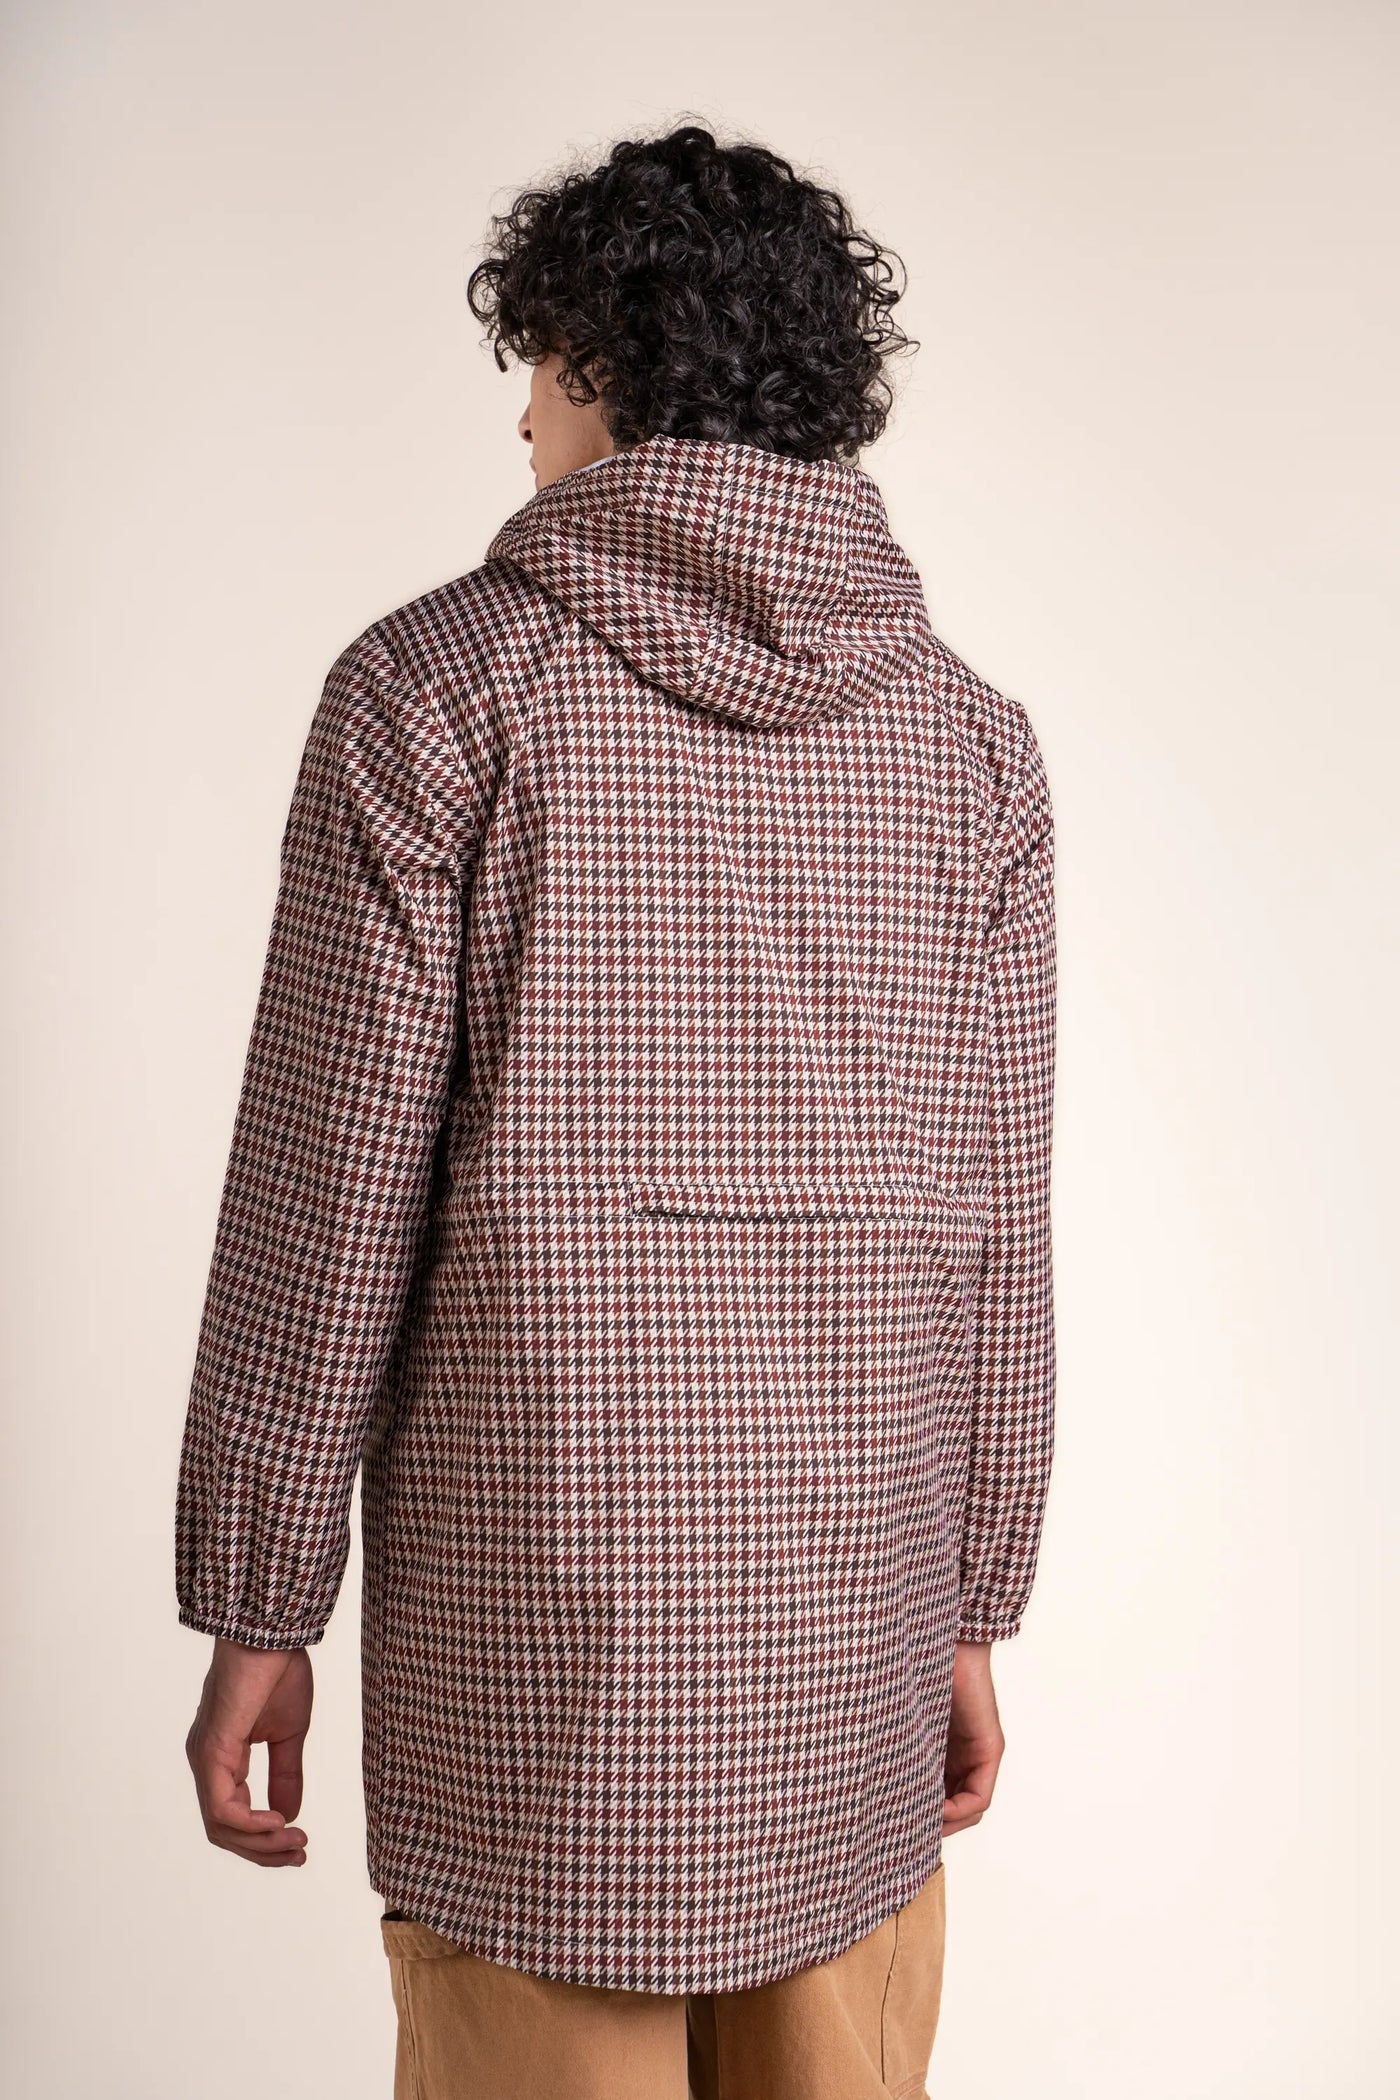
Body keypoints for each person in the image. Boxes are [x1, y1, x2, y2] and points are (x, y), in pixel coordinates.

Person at [175, 123, 1057, 2099]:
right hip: (853, 1651)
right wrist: (972, 1605)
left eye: (539, 368)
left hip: (541, 1681)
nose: (521, 422)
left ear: (605, 366)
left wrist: (257, 1602)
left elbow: (325, 1200)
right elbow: (997, 1233)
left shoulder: (434, 693)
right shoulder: (974, 748)